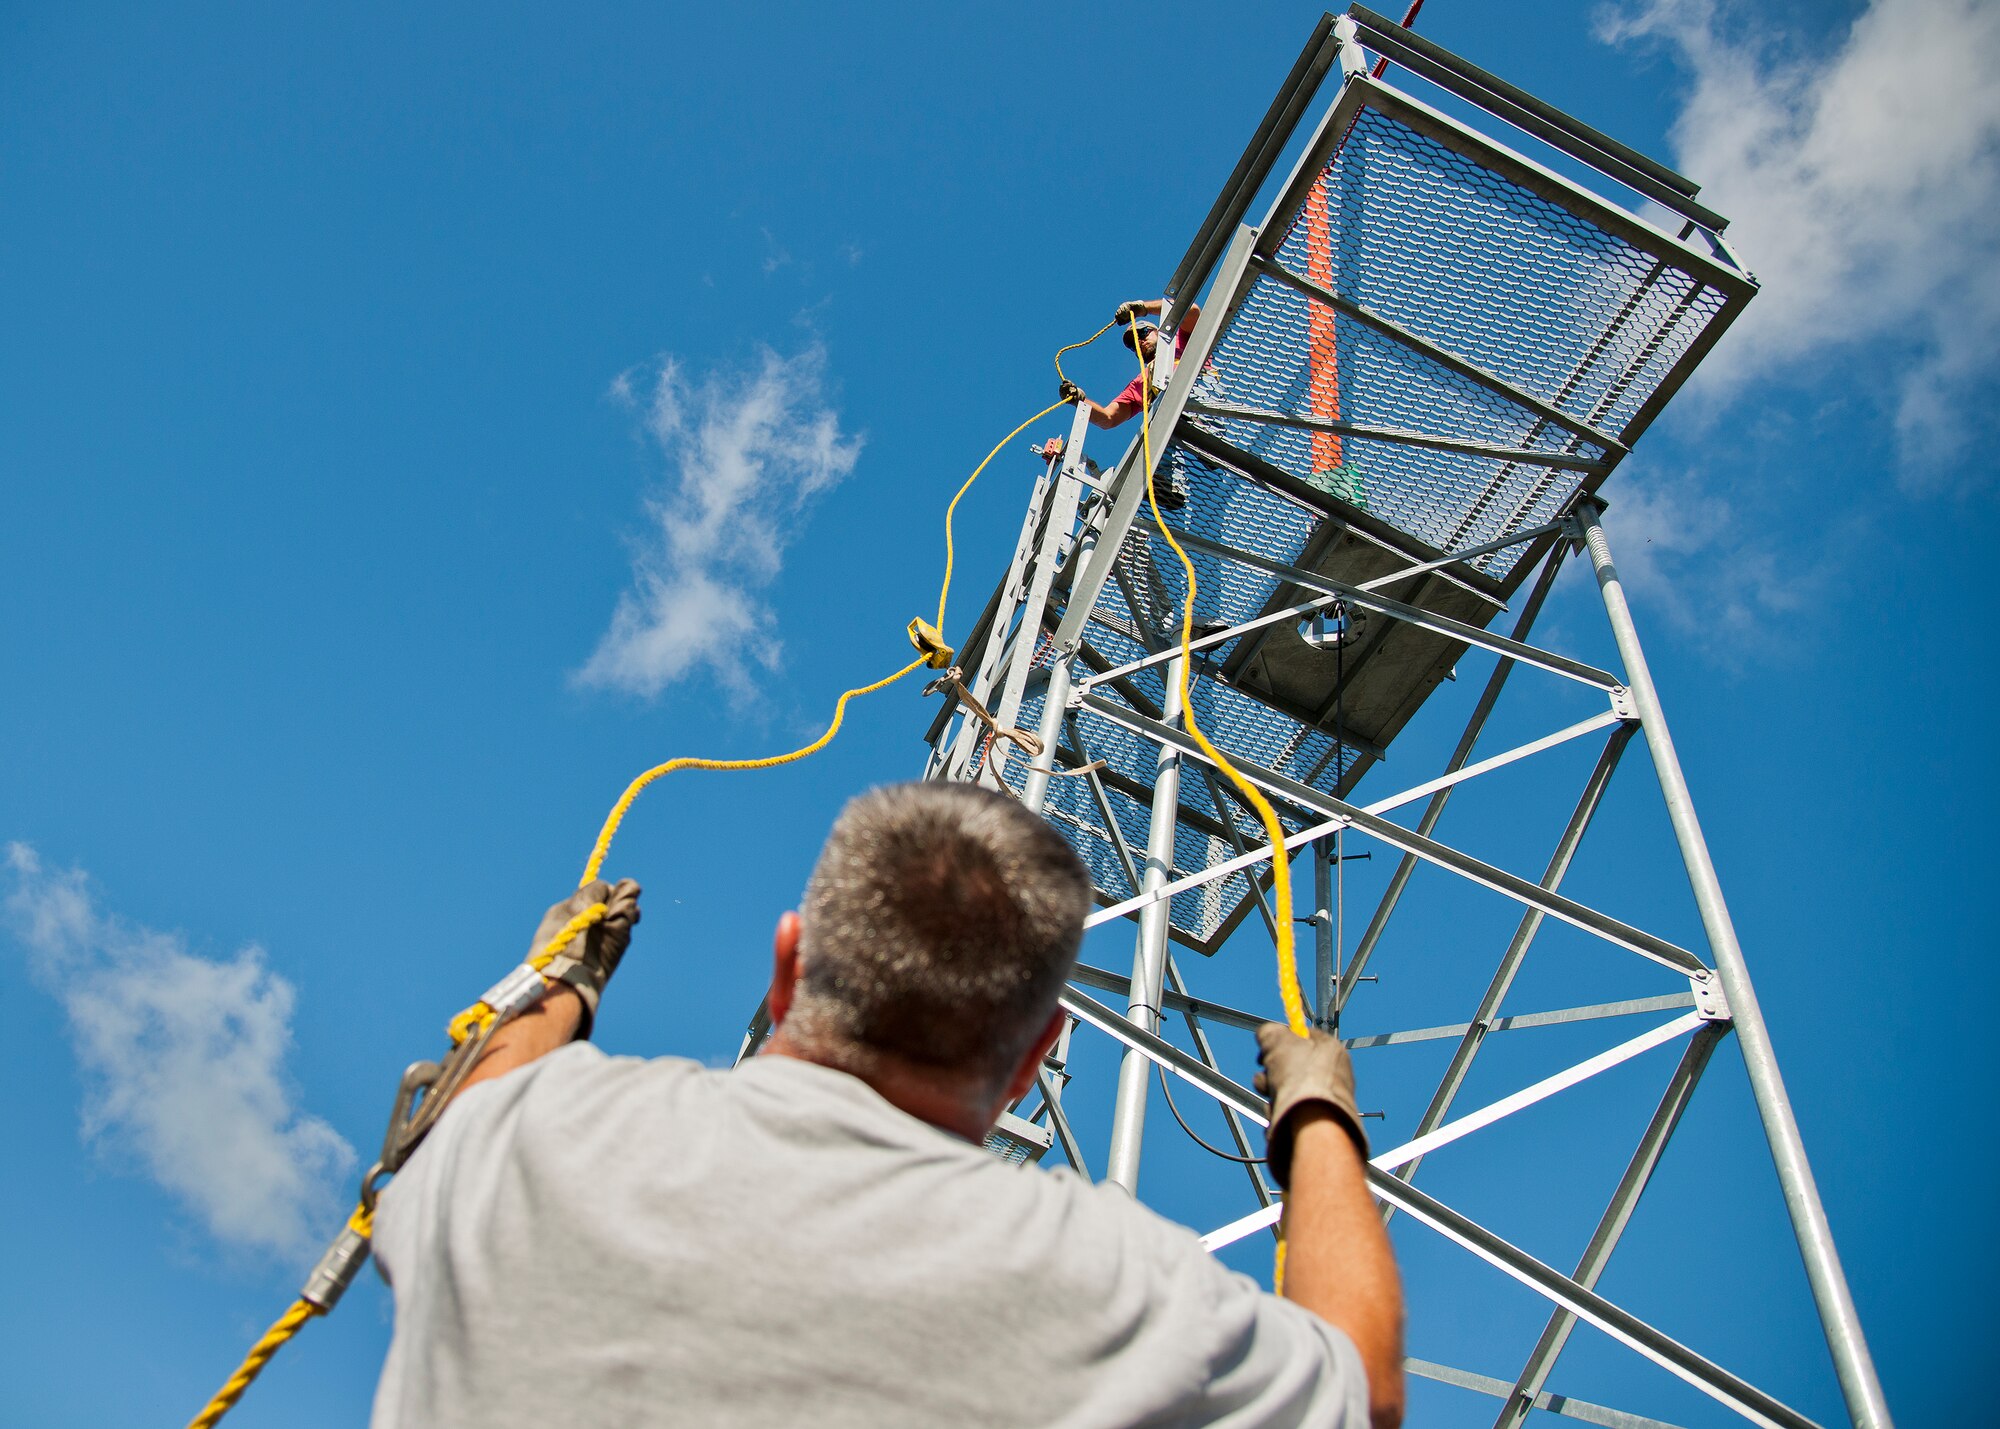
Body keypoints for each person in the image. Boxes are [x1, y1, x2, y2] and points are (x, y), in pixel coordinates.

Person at [367, 781, 1404, 1429]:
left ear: (787, 962)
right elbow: (1361, 1385)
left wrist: (563, 978)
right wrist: (1315, 1115)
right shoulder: (1117, 1286)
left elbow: (489, 1077)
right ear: (1036, 1057)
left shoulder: (536, 1142)